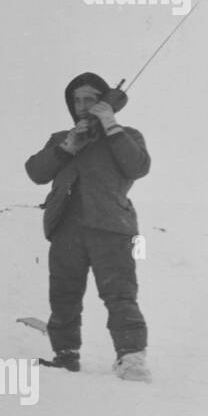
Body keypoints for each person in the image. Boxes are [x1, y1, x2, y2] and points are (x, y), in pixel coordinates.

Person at [24, 72, 151, 382]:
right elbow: (36, 172)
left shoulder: (127, 134)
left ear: (103, 102)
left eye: (90, 100)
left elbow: (138, 166)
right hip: (66, 228)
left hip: (111, 226)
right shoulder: (61, 138)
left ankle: (131, 359)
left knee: (119, 295)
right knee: (63, 296)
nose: (82, 106)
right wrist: (67, 147)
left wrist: (110, 126)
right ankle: (65, 355)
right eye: (76, 100)